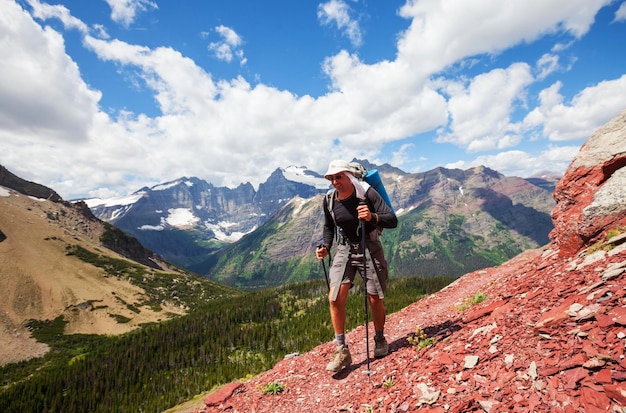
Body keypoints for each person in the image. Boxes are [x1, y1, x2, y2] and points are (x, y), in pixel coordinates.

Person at [316, 160, 398, 372]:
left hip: (369, 246)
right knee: (334, 297)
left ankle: (379, 338)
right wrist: (325, 246)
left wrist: (372, 217)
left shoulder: (367, 193)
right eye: (331, 178)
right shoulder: (329, 200)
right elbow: (328, 226)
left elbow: (392, 220)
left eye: (339, 177)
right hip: (344, 249)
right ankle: (342, 349)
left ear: (349, 176)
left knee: (375, 296)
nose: (335, 182)